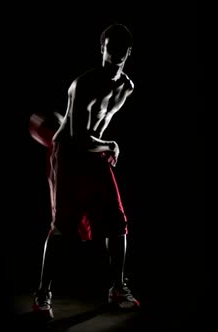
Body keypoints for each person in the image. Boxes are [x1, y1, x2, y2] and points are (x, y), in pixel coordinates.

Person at [30, 23, 139, 320]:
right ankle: (43, 296)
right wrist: (110, 146)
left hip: (95, 152)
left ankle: (117, 287)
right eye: (109, 48)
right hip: (70, 154)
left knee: (117, 222)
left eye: (121, 50)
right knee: (63, 226)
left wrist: (105, 146)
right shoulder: (83, 85)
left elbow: (97, 126)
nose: (114, 54)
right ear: (101, 49)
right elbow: (78, 138)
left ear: (128, 52)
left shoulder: (126, 87)